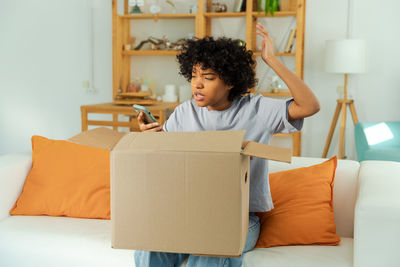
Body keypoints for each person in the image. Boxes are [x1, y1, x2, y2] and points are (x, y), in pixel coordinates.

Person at [135, 23, 320, 267]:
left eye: (208, 77)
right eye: (193, 76)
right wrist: (151, 139)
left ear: (230, 81)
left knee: (210, 249)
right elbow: (165, 166)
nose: (197, 84)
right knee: (150, 247)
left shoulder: (258, 109)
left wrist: (272, 60)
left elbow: (310, 106)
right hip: (190, 212)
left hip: (239, 217)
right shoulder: (183, 113)